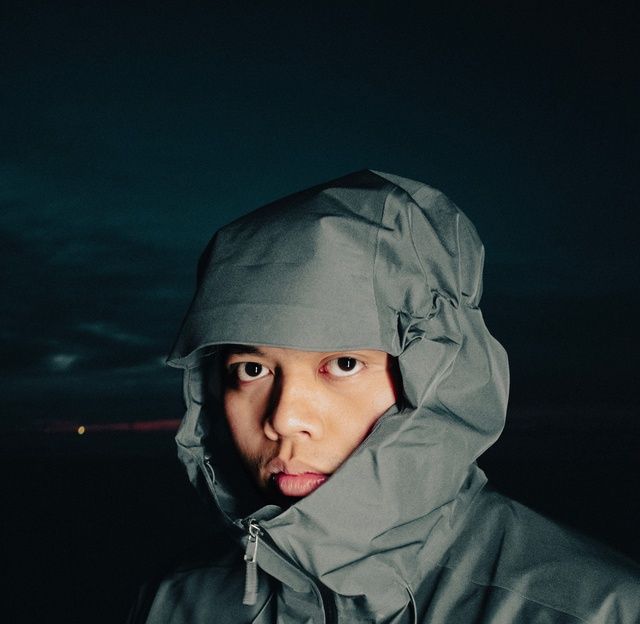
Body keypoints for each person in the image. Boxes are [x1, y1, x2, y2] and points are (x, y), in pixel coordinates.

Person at [129, 170, 640, 623]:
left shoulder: (598, 610)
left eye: (344, 364)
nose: (284, 419)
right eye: (252, 369)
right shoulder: (175, 601)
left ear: (441, 374)